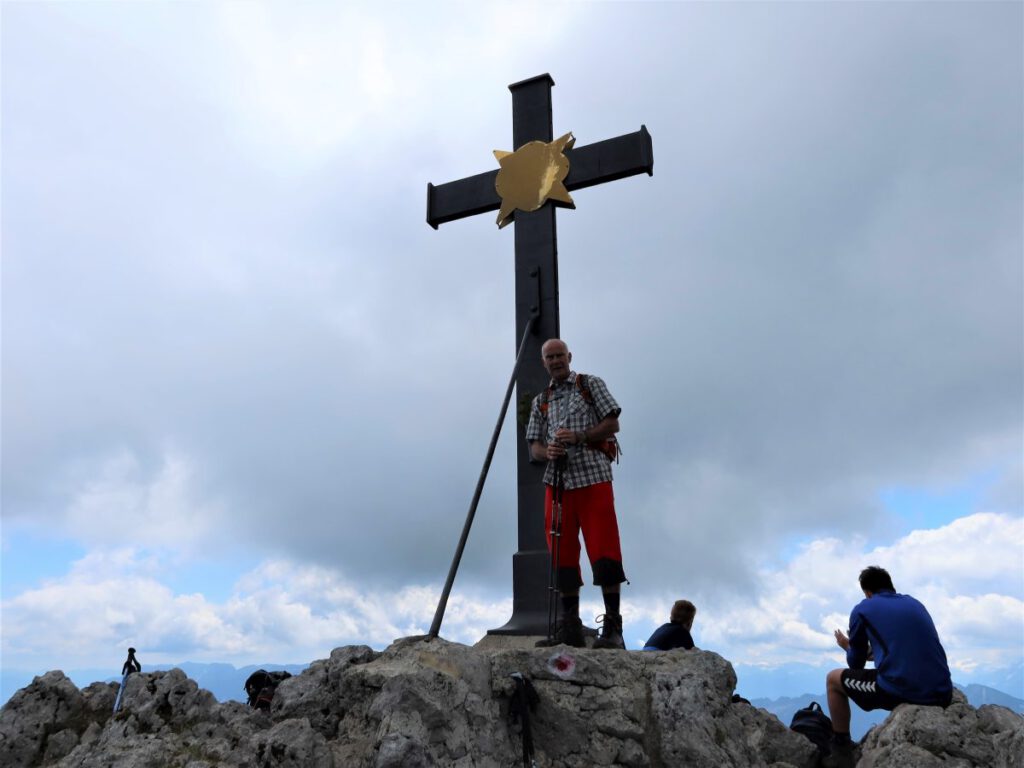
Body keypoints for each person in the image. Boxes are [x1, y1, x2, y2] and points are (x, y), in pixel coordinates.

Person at [526, 338, 626, 649]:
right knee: (562, 554)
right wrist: (549, 450)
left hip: (593, 477)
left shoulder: (590, 384)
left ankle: (613, 629)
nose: (555, 361)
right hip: (558, 483)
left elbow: (613, 424)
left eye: (559, 355)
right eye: (549, 357)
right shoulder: (541, 400)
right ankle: (570, 628)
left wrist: (579, 436)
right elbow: (534, 447)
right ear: (544, 362)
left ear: (569, 356)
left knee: (604, 549)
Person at [822, 566, 953, 768]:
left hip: (905, 691)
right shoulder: (915, 604)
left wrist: (847, 646)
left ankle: (841, 752)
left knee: (833, 679)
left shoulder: (862, 609)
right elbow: (902, 648)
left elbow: (855, 663)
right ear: (890, 585)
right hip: (943, 692)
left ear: (867, 592)